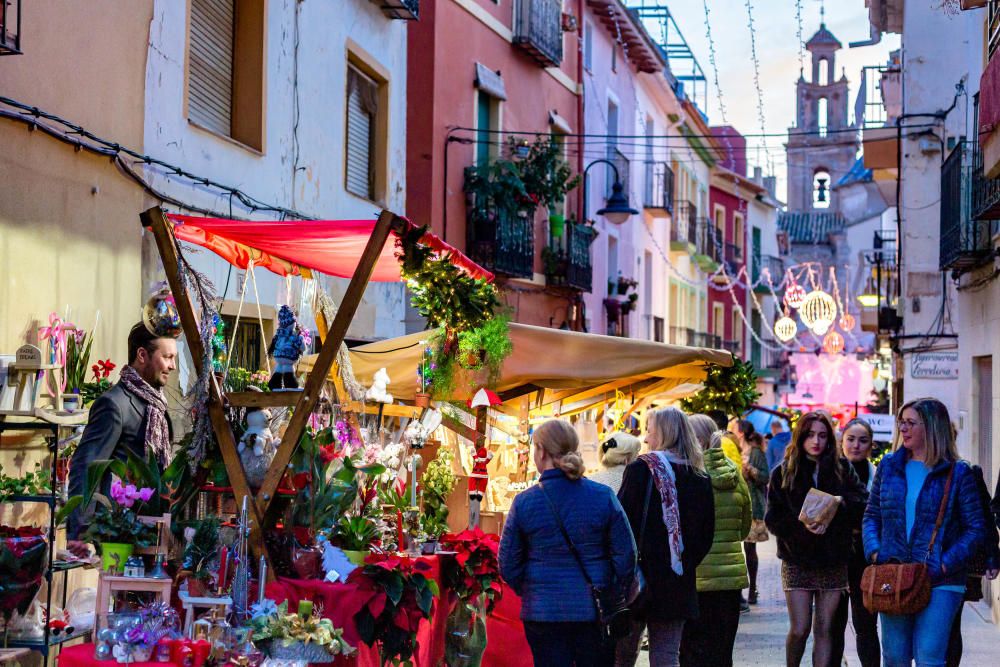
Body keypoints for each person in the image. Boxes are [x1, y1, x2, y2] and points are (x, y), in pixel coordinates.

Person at [499, 419, 636, 667]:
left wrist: (531, 587)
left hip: (542, 611)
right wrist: (611, 586)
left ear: (541, 452)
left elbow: (508, 563)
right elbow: (627, 555)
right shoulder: (602, 496)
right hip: (594, 610)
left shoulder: (524, 502)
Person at [863, 398, 986, 667]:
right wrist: (875, 551)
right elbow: (872, 515)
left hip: (940, 579)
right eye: (901, 423)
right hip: (894, 572)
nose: (903, 429)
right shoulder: (889, 466)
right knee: (895, 657)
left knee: (930, 655)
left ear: (932, 427)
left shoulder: (958, 473)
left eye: (910, 423)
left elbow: (976, 529)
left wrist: (943, 563)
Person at [765, 411, 868, 667]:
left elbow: (863, 505)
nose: (816, 441)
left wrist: (839, 506)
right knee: (799, 628)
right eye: (810, 435)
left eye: (822, 435)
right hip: (797, 558)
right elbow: (772, 517)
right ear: (800, 437)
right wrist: (799, 529)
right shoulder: (783, 472)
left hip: (833, 559)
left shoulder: (841, 469)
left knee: (825, 630)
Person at [67, 322, 178, 554]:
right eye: (167, 357)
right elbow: (86, 464)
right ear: (142, 355)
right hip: (121, 531)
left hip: (153, 528)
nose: (173, 366)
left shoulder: (155, 404)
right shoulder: (114, 404)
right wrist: (80, 530)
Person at [616, 408, 715, 667]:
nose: (647, 438)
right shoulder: (699, 477)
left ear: (662, 434)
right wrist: (683, 562)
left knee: (624, 653)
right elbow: (706, 535)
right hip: (676, 580)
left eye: (649, 430)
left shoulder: (640, 469)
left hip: (638, 579)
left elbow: (621, 523)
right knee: (666, 655)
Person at [678, 418, 751, 667]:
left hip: (693, 578)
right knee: (721, 652)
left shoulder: (685, 475)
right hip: (729, 581)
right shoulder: (733, 472)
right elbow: (745, 526)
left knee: (690, 652)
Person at [831, 418, 880, 667]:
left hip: (866, 562)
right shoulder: (830, 473)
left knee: (866, 625)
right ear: (842, 442)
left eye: (863, 440)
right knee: (833, 627)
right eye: (851, 439)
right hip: (835, 561)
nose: (856, 445)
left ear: (871, 444)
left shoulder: (877, 476)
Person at [945, 463, 999, 667]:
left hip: (956, 562)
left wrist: (992, 556)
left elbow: (985, 516)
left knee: (951, 624)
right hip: (916, 562)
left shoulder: (967, 472)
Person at [741, 431, 770, 607]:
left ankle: (752, 588)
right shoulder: (737, 450)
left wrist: (750, 469)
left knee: (749, 548)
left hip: (752, 506)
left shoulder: (755, 452)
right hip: (741, 505)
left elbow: (764, 477)